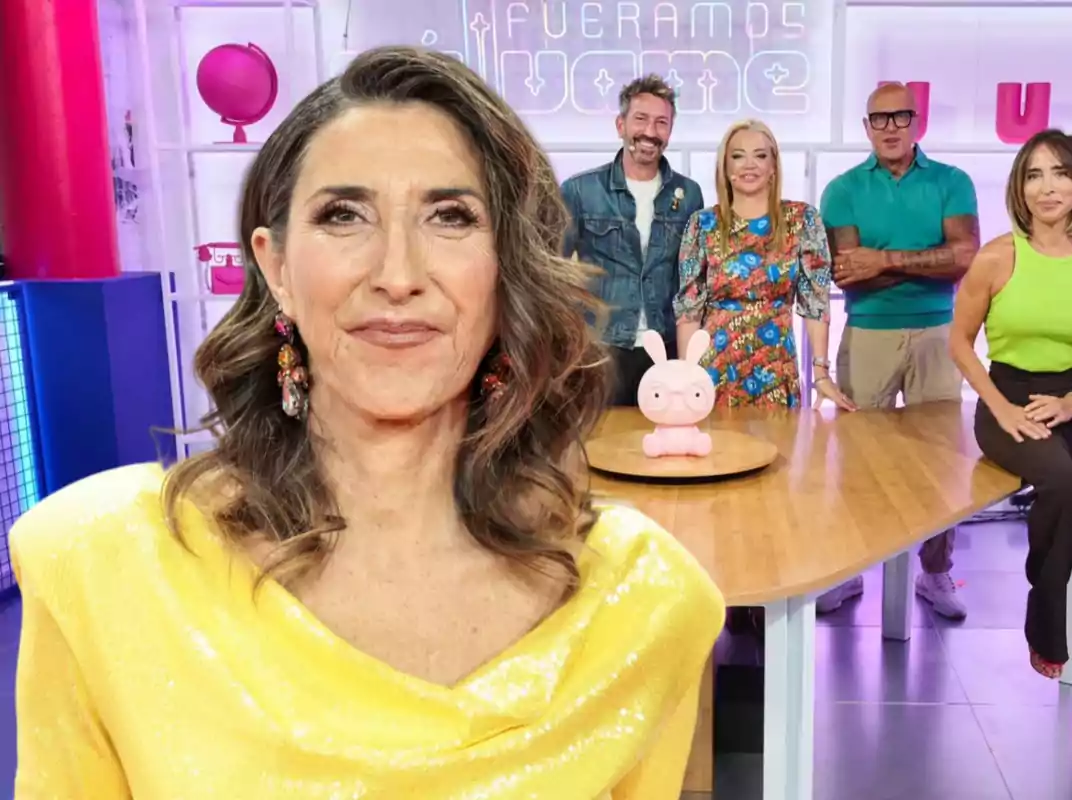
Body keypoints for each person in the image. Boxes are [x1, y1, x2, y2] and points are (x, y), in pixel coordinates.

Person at [11, 47, 724, 798]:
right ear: (276, 264)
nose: (396, 273)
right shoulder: (104, 570)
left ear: (508, 267)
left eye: (450, 217)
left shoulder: (641, 603)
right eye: (343, 215)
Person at [949, 129, 1072, 753]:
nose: (1046, 187)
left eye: (1059, 173)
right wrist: (1000, 409)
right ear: (1018, 188)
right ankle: (1044, 618)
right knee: (1063, 481)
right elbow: (959, 344)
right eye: (1033, 175)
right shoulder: (998, 256)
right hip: (1007, 396)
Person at [816, 82, 980, 618]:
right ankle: (847, 569)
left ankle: (935, 574)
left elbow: (964, 258)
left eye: (900, 117)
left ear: (917, 122)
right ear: (866, 128)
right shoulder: (842, 190)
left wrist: (882, 260)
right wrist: (926, 261)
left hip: (939, 334)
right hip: (867, 333)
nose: (889, 127)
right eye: (878, 119)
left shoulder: (952, 183)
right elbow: (848, 273)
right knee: (859, 460)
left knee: (941, 463)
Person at [674, 119, 854, 411]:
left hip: (776, 363)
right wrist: (684, 378)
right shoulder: (703, 224)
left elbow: (815, 302)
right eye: (737, 156)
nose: (749, 165)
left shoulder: (801, 220)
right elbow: (689, 310)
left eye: (760, 155)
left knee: (780, 453)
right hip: (716, 366)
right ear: (725, 168)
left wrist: (821, 373)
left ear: (773, 166)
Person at [560, 75, 705, 406]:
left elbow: (692, 280)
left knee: (666, 448)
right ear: (620, 124)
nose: (650, 132)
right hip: (602, 351)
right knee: (600, 448)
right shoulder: (580, 191)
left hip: (666, 349)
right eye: (641, 119)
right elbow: (551, 271)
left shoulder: (689, 195)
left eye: (661, 123)